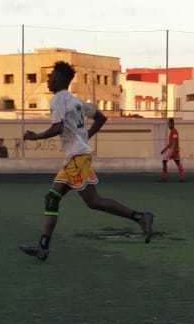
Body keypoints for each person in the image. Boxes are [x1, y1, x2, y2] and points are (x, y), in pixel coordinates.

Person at [19, 61, 154, 261]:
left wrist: (35, 137)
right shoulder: (76, 101)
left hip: (77, 158)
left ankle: (141, 217)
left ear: (61, 79)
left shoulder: (58, 99)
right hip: (75, 157)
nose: (48, 80)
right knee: (52, 198)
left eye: (51, 76)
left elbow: (57, 128)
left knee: (93, 201)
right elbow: (101, 118)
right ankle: (43, 247)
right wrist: (84, 138)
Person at [161, 117, 185, 183]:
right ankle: (182, 177)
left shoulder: (174, 131)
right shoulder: (172, 131)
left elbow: (174, 141)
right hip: (174, 150)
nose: (168, 125)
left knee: (164, 161)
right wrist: (164, 149)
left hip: (173, 150)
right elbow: (170, 143)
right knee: (178, 163)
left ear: (172, 124)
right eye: (168, 124)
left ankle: (164, 177)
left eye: (169, 124)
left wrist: (173, 150)